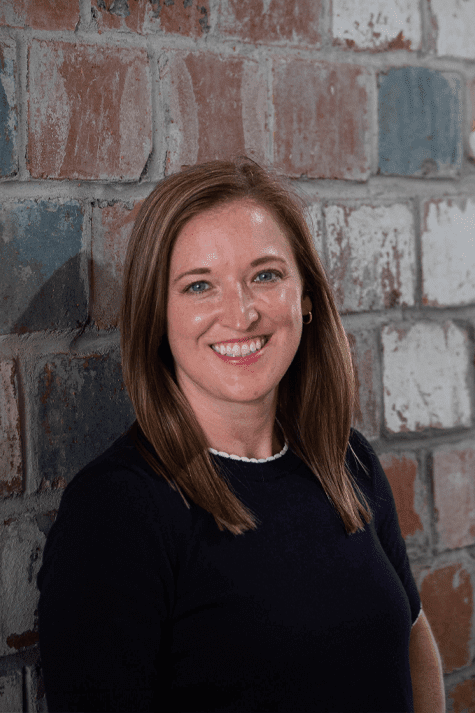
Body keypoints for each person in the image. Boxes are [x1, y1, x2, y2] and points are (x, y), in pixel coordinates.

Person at [37, 156, 445, 712]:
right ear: (158, 315)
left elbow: (413, 636)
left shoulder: (345, 460)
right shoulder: (116, 510)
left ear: (305, 299)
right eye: (199, 285)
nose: (241, 313)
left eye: (266, 275)